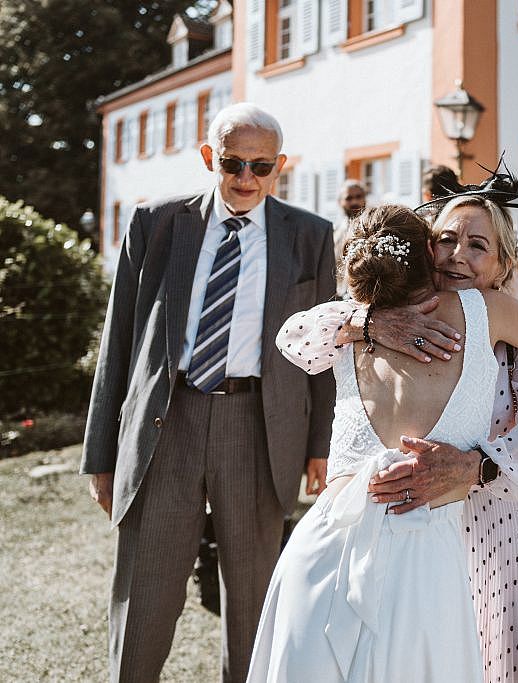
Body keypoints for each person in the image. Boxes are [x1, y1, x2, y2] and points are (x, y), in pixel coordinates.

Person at [247, 204, 518, 682]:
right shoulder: (373, 315)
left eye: (477, 246)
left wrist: (476, 466)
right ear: (424, 249)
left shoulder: (505, 322)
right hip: (406, 539)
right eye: (446, 240)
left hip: (485, 523)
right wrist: (369, 321)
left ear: (503, 265)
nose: (457, 255)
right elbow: (294, 337)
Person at [80, 103, 336, 682]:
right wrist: (100, 454)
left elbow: (323, 352)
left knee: (254, 603)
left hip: (261, 429)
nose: (246, 178)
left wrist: (320, 445)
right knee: (145, 595)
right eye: (232, 162)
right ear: (208, 158)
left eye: (260, 166)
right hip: (167, 425)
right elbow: (118, 340)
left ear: (279, 167)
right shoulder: (155, 223)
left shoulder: (311, 237)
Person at [333, 179, 368, 296]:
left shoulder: (373, 227)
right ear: (340, 202)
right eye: (349, 198)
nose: (354, 202)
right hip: (339, 295)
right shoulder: (335, 232)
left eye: (358, 197)